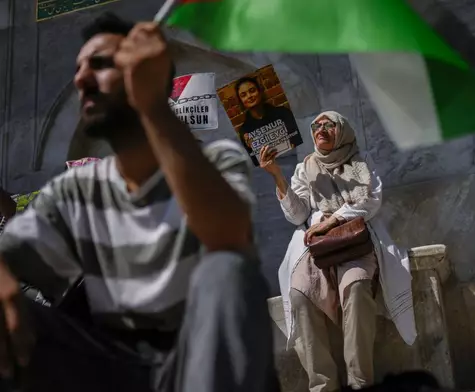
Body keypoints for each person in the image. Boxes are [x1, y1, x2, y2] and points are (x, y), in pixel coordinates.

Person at [0, 13, 278, 392]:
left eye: (99, 64)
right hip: (110, 366)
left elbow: (227, 235)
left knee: (226, 271)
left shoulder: (217, 161)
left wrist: (153, 107)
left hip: (197, 364)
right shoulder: (76, 190)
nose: (80, 79)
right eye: (79, 67)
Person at [259, 111, 416, 391]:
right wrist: (277, 177)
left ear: (341, 131)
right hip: (317, 246)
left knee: (356, 287)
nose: (321, 129)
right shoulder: (305, 167)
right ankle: (322, 386)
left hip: (353, 240)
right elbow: (297, 216)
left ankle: (360, 382)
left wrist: (333, 219)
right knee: (299, 295)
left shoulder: (361, 161)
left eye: (329, 125)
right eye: (316, 125)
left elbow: (371, 200)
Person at [235, 76, 302, 165]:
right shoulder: (244, 131)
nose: (249, 96)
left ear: (259, 91)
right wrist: (253, 150)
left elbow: (299, 138)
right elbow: (254, 162)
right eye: (243, 95)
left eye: (252, 91)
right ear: (241, 101)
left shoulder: (282, 113)